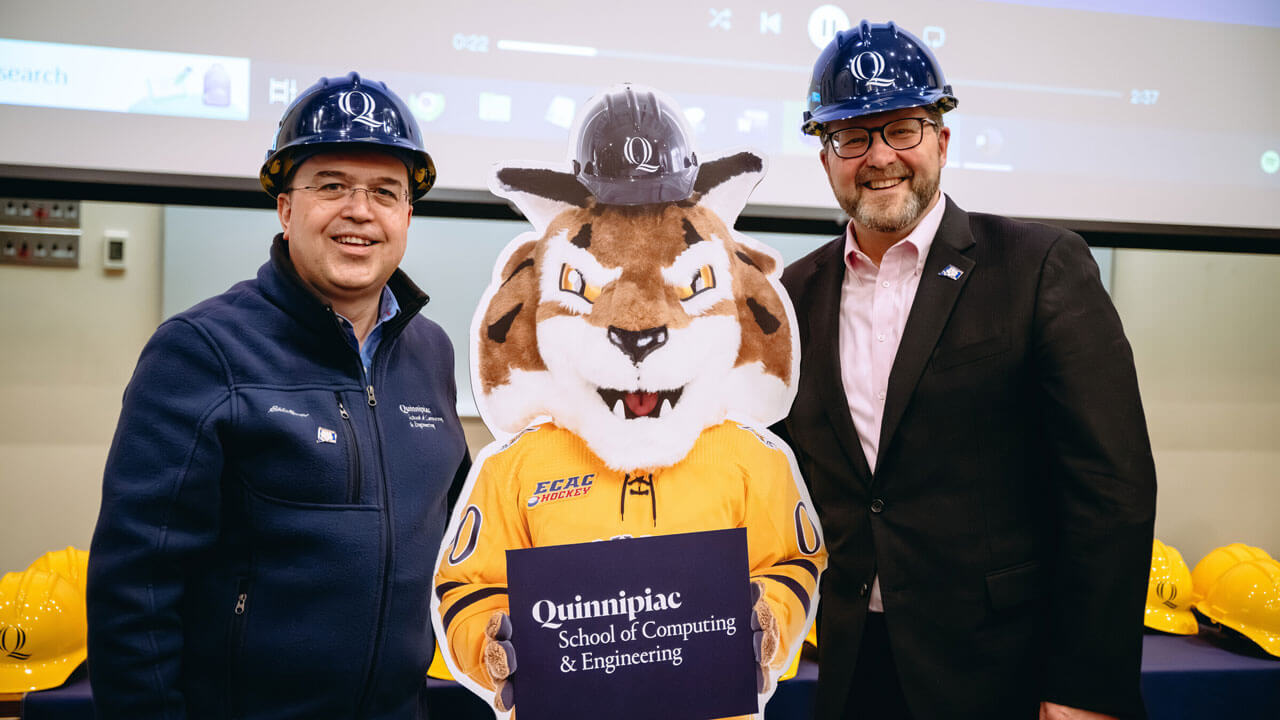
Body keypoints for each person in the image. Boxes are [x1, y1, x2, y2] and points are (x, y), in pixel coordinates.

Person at [777, 21, 1157, 720]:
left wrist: (1084, 687)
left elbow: (1112, 489)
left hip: (1006, 674)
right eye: (852, 137)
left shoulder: (1039, 266)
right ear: (825, 156)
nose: (879, 157)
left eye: (902, 129)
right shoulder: (790, 299)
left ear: (941, 141)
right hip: (854, 669)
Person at [87, 72, 470, 718]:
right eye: (331, 186)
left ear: (408, 214)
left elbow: (458, 537)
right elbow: (135, 592)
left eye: (385, 191)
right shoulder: (201, 351)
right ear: (286, 207)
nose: (359, 211)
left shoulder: (431, 351)